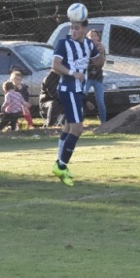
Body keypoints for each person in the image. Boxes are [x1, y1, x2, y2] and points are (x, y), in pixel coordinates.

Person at [51, 15, 103, 186]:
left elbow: (99, 63)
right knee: (78, 128)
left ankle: (60, 163)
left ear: (84, 30)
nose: (73, 31)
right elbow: (55, 66)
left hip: (78, 90)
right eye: (71, 27)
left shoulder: (88, 45)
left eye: (77, 28)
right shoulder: (63, 43)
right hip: (68, 89)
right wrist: (73, 73)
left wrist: (101, 51)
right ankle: (61, 165)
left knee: (68, 127)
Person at [84, 29, 108, 123]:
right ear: (87, 37)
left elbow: (101, 62)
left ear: (98, 38)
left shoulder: (101, 48)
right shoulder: (85, 47)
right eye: (91, 36)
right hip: (87, 77)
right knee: (82, 98)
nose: (93, 37)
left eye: (95, 36)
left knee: (100, 101)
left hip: (98, 78)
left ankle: (103, 122)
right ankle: (79, 121)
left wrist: (101, 52)